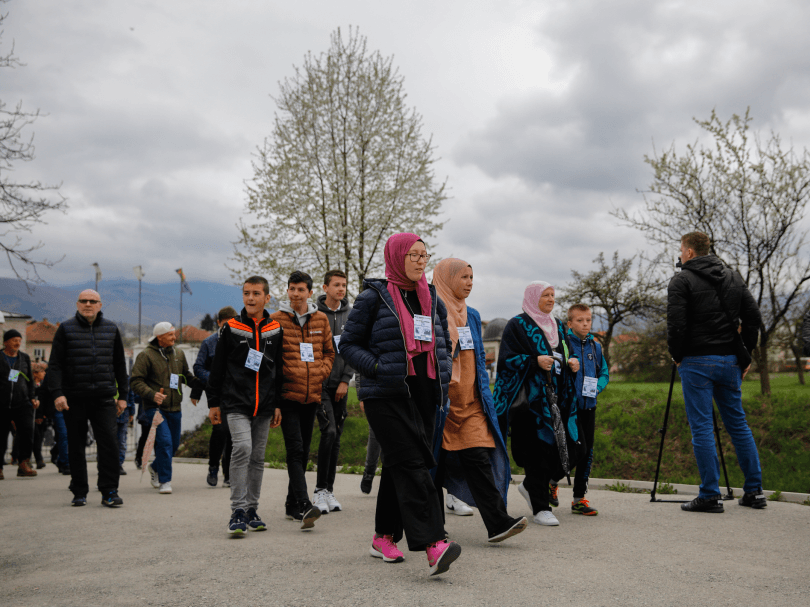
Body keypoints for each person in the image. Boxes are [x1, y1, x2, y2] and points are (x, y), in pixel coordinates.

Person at [340, 232, 461, 577]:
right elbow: (348, 345)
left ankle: (383, 536)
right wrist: (378, 367)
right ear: (396, 257)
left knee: (399, 463)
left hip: (424, 392)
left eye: (425, 255)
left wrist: (443, 373)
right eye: (413, 255)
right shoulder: (373, 297)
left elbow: (442, 342)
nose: (421, 261)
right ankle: (434, 542)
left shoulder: (431, 297)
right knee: (412, 462)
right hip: (385, 392)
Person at [667, 231, 765, 512]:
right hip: (729, 361)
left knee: (702, 428)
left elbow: (677, 325)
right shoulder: (733, 277)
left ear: (688, 252)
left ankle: (710, 495)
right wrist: (746, 354)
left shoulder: (681, 280)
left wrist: (677, 355)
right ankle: (754, 492)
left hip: (697, 362)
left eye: (681, 249)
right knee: (738, 425)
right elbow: (753, 317)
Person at [432, 258, 527, 543]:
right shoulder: (431, 311)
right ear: (447, 279)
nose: (470, 282)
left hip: (471, 404)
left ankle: (498, 523)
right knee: (435, 467)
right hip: (441, 405)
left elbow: (477, 361)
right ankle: (433, 529)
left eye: (472, 277)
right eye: (463, 277)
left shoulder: (472, 315)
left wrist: (484, 396)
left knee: (479, 459)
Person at [493, 281, 581, 527]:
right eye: (545, 295)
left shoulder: (558, 326)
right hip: (530, 404)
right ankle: (541, 507)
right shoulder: (517, 325)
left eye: (553, 295)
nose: (551, 299)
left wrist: (571, 362)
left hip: (558, 400)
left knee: (569, 449)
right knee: (537, 453)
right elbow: (507, 360)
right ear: (533, 297)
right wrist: (534, 361)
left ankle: (531, 486)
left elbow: (565, 351)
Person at [207, 277, 284, 535]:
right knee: (242, 448)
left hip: (264, 405)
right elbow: (217, 368)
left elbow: (278, 370)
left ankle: (252, 509)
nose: (250, 298)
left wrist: (277, 404)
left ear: (267, 298)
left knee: (258, 458)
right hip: (236, 403)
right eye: (246, 293)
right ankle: (237, 510)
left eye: (256, 293)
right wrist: (214, 403)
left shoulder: (275, 329)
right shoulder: (230, 328)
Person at [48, 290, 129, 507]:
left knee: (109, 445)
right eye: (83, 301)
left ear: (100, 305)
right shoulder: (65, 329)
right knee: (76, 445)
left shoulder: (111, 329)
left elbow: (120, 366)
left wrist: (123, 397)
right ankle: (79, 491)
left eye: (92, 301)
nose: (88, 304)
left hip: (104, 398)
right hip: (74, 398)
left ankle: (110, 491)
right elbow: (54, 365)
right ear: (77, 304)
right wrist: (57, 393)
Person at [270, 271, 335, 528]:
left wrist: (321, 372)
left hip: (312, 395)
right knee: (295, 449)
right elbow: (271, 362)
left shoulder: (320, 319)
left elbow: (330, 352)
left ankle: (291, 505)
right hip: (287, 396)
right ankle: (305, 504)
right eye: (291, 289)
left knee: (304, 451)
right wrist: (274, 401)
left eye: (300, 289)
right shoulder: (275, 320)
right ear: (287, 291)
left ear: (309, 292)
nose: (295, 294)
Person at [130, 322, 201, 495]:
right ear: (160, 337)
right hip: (155, 408)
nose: (174, 338)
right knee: (164, 442)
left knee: (174, 444)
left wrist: (202, 385)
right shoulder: (146, 355)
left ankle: (155, 468)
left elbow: (186, 376)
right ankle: (165, 481)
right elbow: (135, 381)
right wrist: (152, 394)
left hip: (175, 407)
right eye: (171, 335)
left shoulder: (178, 353)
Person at [313, 270, 357, 513]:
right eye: (336, 285)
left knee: (337, 435)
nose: (341, 289)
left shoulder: (351, 315)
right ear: (325, 287)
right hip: (320, 385)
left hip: (341, 384)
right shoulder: (315, 314)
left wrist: (346, 380)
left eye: (344, 285)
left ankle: (329, 491)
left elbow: (353, 348)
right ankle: (319, 490)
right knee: (328, 431)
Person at [563, 303, 610, 516]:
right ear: (570, 323)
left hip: (589, 407)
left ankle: (578, 499)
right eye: (580, 320)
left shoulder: (596, 347)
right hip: (569, 408)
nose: (585, 324)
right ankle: (552, 481)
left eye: (588, 320)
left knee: (587, 453)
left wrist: (597, 388)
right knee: (573, 450)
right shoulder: (563, 344)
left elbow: (604, 374)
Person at [192, 306, 238, 488]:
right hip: (216, 393)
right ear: (219, 323)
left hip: (235, 393)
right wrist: (213, 378)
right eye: (226, 325)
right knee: (220, 430)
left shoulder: (241, 341)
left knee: (233, 432)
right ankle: (213, 467)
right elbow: (198, 367)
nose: (229, 328)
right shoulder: (209, 343)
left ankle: (229, 473)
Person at [1, 329, 38, 479]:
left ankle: (24, 463)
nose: (17, 343)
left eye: (19, 340)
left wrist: (33, 397)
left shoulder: (24, 358)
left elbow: (30, 380)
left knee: (27, 432)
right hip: (1, 404)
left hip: (22, 402)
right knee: (1, 435)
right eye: (14, 340)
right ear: (5, 342)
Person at [32, 362, 53, 470]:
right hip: (29, 413)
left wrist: (43, 414)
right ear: (35, 374)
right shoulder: (30, 384)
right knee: (32, 437)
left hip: (40, 415)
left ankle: (38, 459)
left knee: (38, 437)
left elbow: (44, 400)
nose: (44, 373)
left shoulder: (42, 384)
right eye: (42, 371)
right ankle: (21, 458)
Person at [116, 389, 136, 475]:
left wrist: (132, 412)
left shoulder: (126, 380)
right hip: (109, 414)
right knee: (107, 441)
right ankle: (104, 464)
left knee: (122, 441)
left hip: (123, 415)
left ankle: (119, 464)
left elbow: (131, 396)